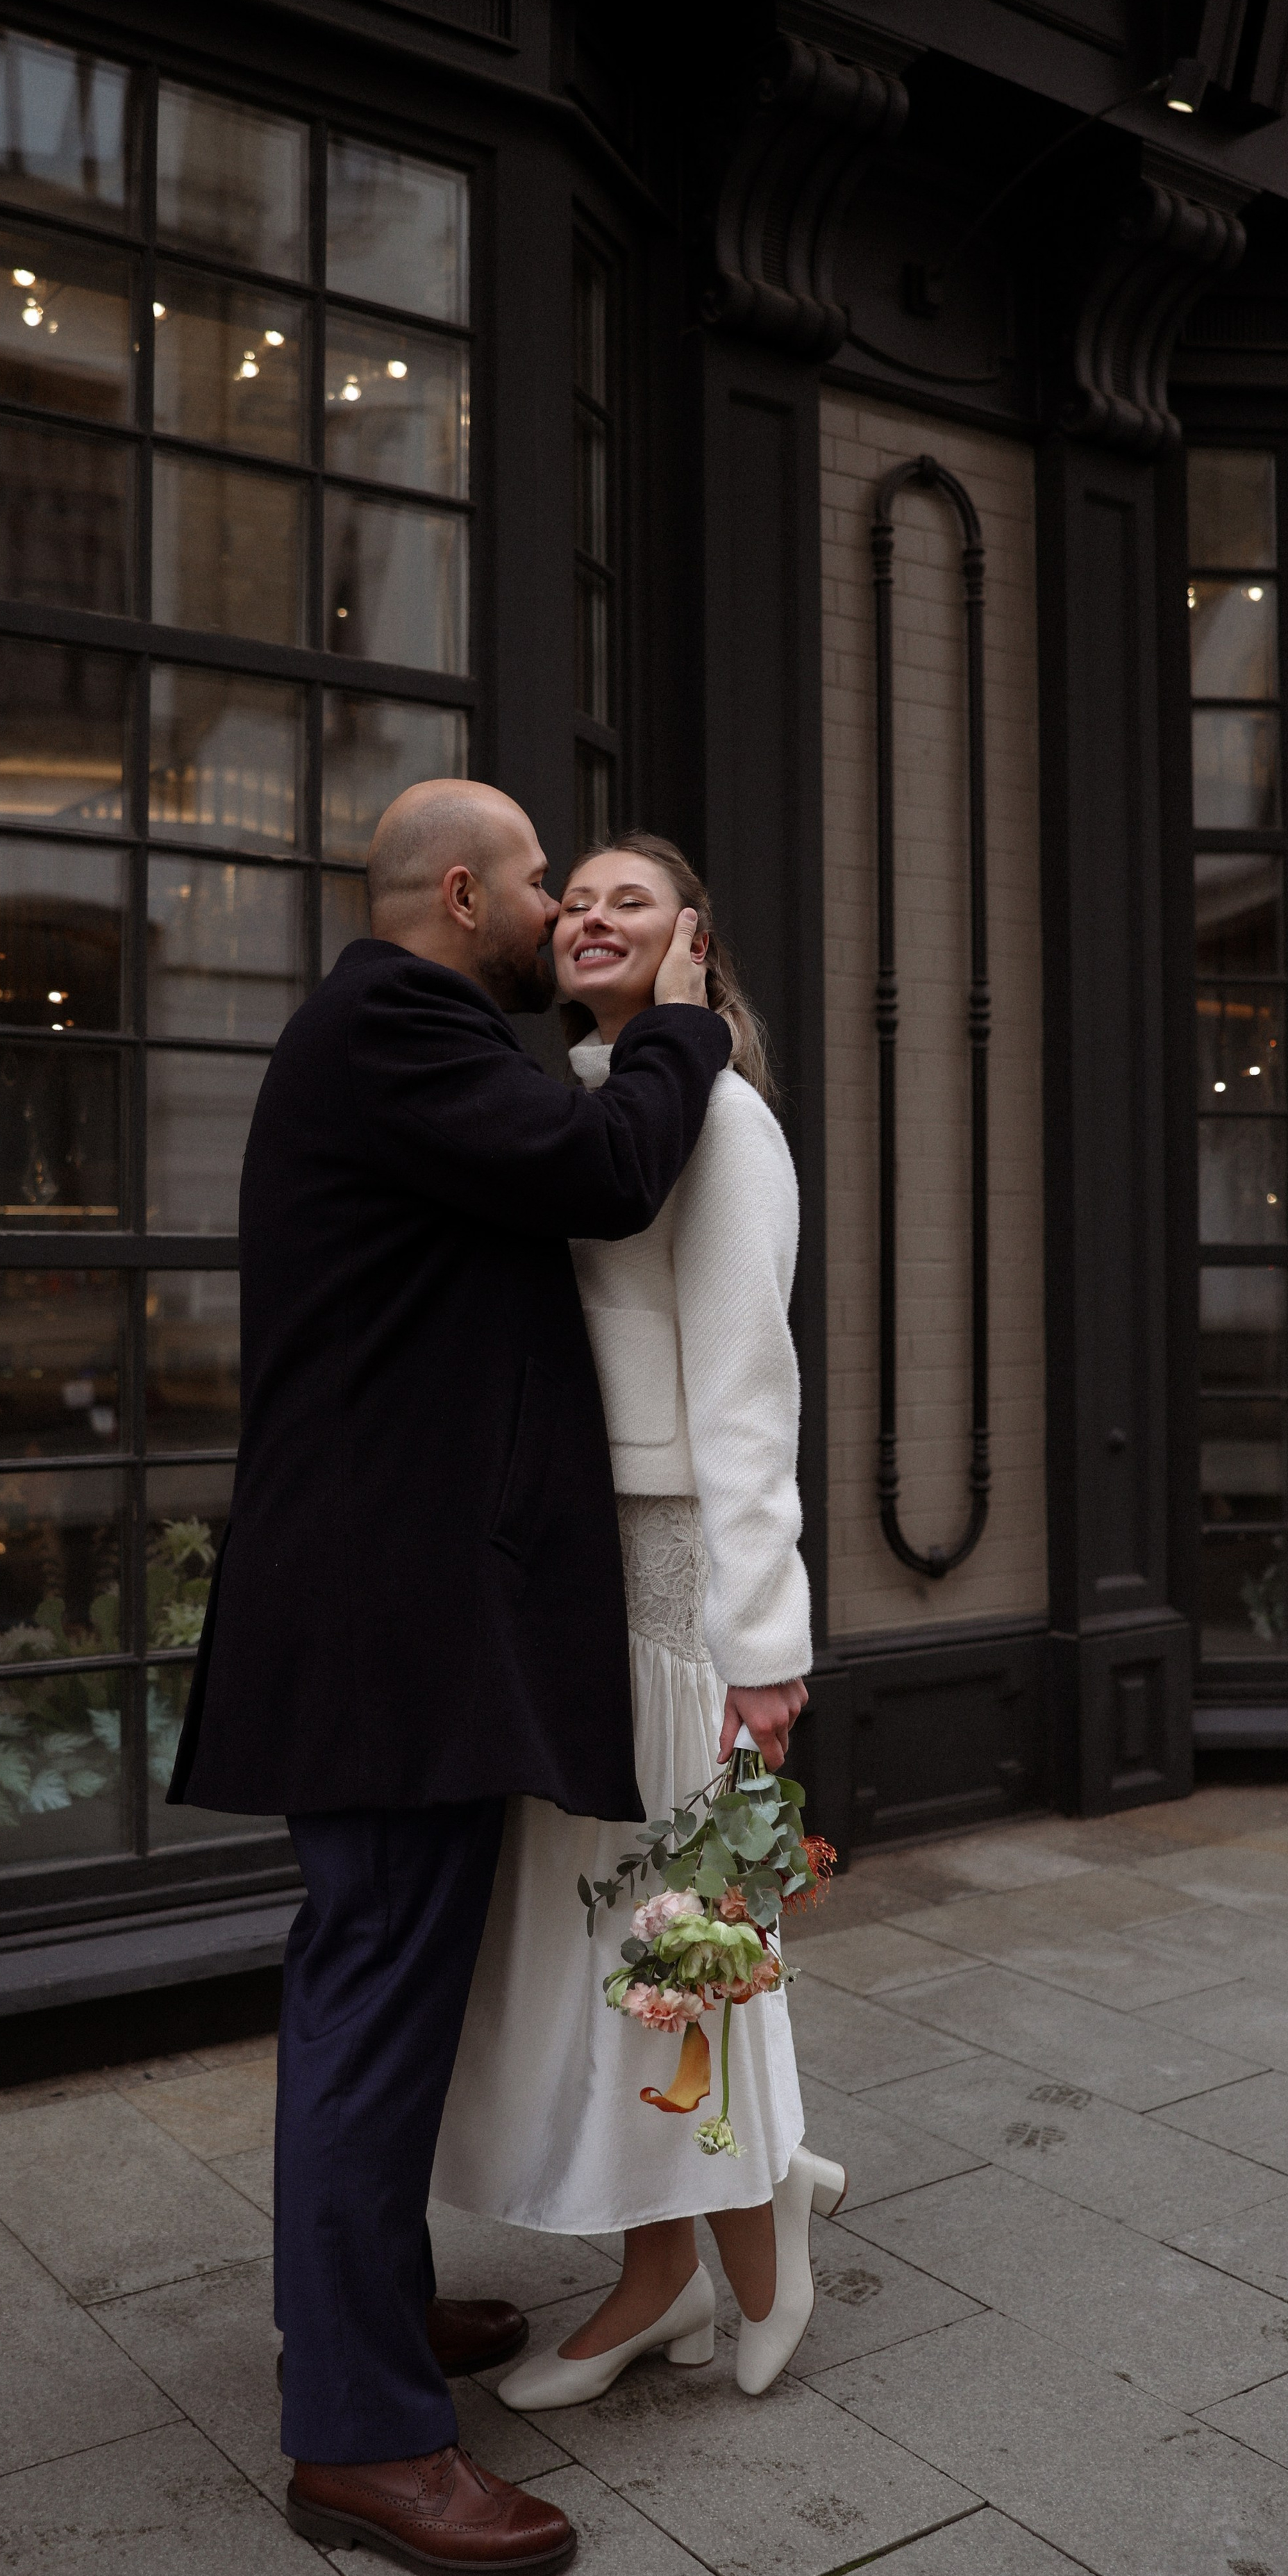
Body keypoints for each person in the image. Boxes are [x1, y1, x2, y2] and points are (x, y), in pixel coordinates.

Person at [166, 781, 730, 2576]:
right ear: (467, 891)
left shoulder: (379, 1036)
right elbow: (599, 1166)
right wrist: (687, 1019)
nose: (561, 903)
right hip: (390, 1627)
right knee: (371, 2003)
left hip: (392, 1618)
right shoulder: (395, 1019)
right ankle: (360, 2438)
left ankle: (367, 2324)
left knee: (377, 1993)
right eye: (546, 882)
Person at [433, 831, 846, 2407]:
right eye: (577, 896)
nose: (594, 914)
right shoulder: (581, 1109)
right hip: (564, 1579)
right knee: (601, 1942)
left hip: (671, 1584)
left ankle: (692, 2259)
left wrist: (763, 1645)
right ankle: (711, 2222)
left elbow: (750, 1395)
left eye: (633, 898)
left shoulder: (719, 1120)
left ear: (693, 939)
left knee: (668, 1942)